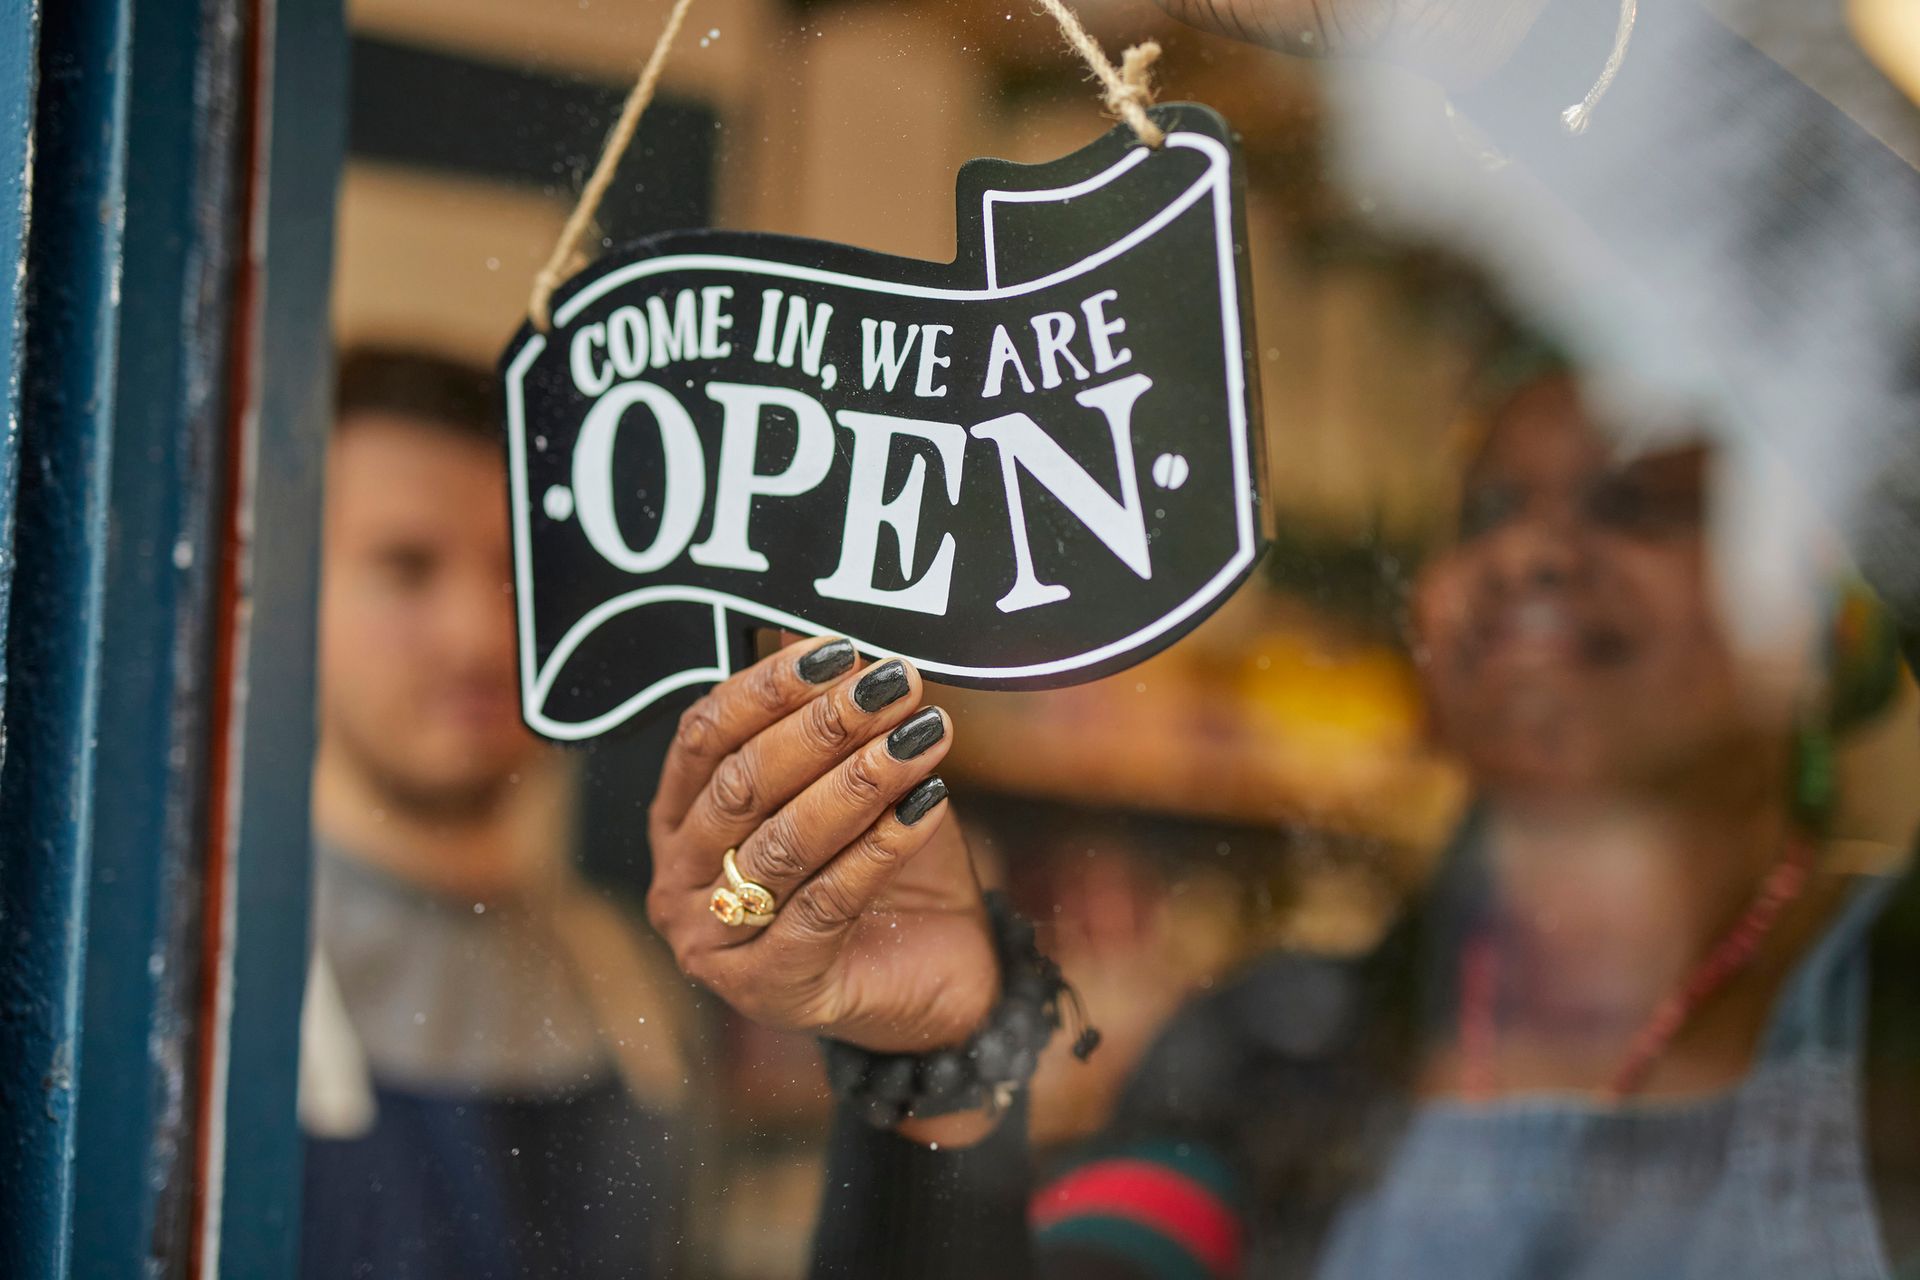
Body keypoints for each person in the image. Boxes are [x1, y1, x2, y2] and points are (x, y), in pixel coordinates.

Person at [637, 343, 1920, 1278]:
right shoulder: (1268, 1050)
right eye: (1488, 512)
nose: (1529, 552)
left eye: (1636, 502)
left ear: (1821, 615)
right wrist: (943, 1058)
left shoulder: (1894, 1015)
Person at [298, 348, 698, 1278]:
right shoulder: (213, 988)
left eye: (522, 570)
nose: (480, 635)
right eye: (406, 567)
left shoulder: (638, 990)